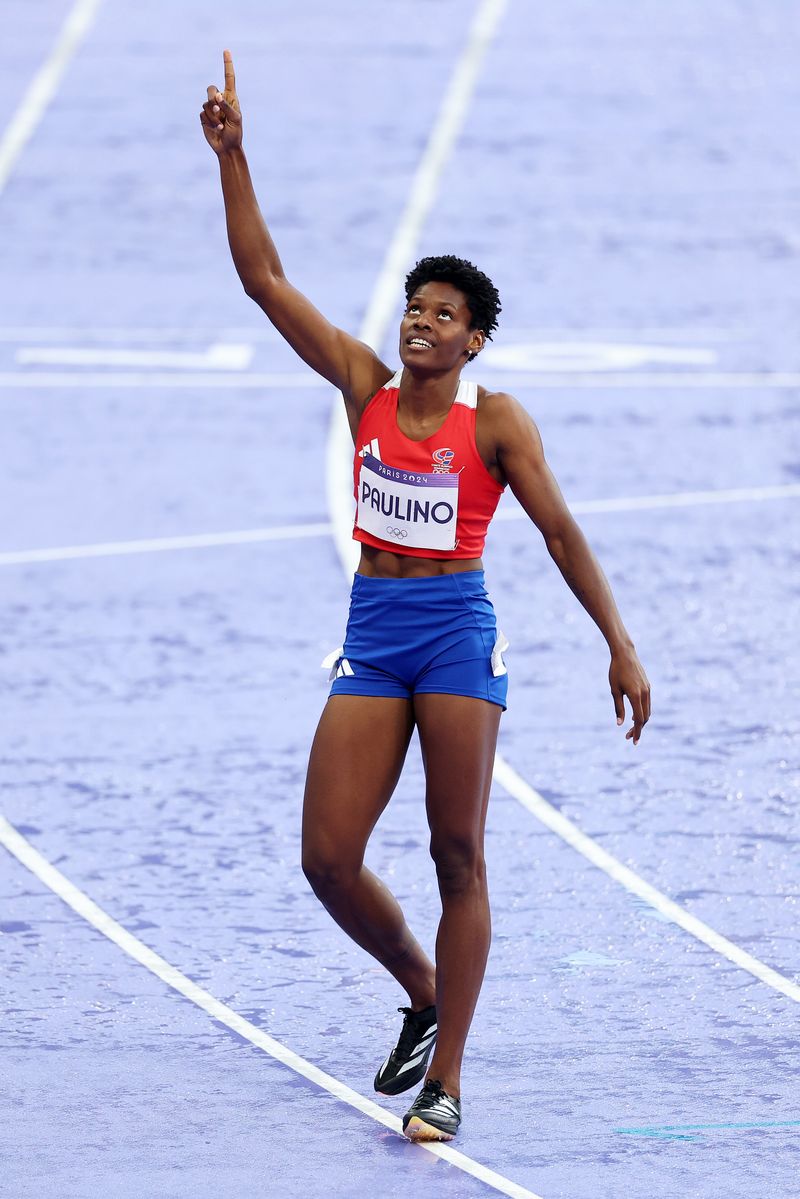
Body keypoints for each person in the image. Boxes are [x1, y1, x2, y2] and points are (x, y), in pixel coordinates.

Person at [201, 51, 651, 1143]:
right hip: (374, 633)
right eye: (412, 306)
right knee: (325, 854)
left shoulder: (495, 422)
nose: (417, 321)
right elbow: (264, 280)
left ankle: (445, 1076)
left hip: (455, 633)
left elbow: (554, 529)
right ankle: (420, 986)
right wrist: (233, 157)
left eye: (440, 313)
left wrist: (617, 643)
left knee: (459, 853)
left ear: (472, 339)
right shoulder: (361, 383)